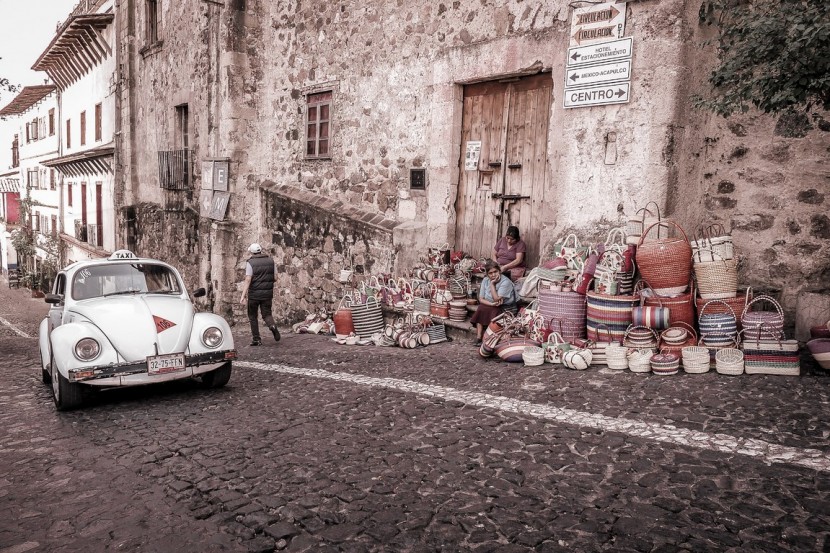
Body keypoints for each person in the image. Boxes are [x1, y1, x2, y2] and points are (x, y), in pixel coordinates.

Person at [239, 243, 280, 346]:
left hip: (254, 295)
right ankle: (272, 326)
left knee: (252, 316)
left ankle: (256, 339)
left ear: (251, 252)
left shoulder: (250, 262)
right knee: (266, 314)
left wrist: (243, 296)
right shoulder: (271, 261)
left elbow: (248, 279)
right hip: (267, 294)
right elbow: (275, 278)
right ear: (260, 251)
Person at [470, 260, 517, 346]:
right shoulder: (485, 280)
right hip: (493, 304)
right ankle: (478, 337)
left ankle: (490, 339)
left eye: (495, 271)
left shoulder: (505, 282)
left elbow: (496, 299)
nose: (493, 275)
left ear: (499, 271)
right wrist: (491, 304)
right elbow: (481, 298)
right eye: (490, 273)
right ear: (487, 274)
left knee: (494, 311)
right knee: (481, 308)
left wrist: (492, 284)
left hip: (505, 307)